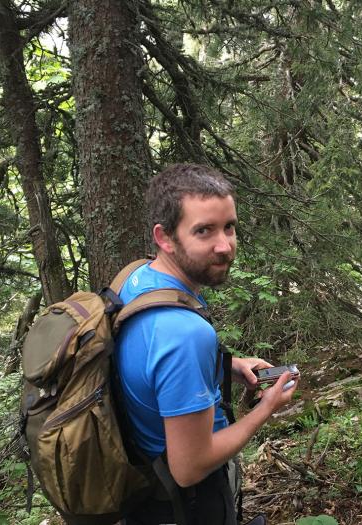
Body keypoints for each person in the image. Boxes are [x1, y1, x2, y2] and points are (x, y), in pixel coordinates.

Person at [115, 163, 297, 524]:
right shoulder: (185, 333)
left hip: (141, 488)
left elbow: (150, 359)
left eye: (229, 227)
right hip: (185, 503)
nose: (225, 246)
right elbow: (189, 467)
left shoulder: (137, 279)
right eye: (204, 231)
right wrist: (266, 408)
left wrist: (229, 363)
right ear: (165, 237)